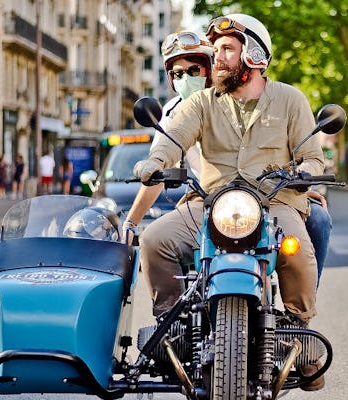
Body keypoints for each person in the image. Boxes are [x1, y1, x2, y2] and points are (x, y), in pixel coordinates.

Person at [132, 13, 324, 390]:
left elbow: (312, 154)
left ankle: (299, 333)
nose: (216, 58)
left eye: (226, 50)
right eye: (217, 50)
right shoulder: (202, 103)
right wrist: (154, 163)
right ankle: (172, 327)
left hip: (274, 202)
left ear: (253, 54)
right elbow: (173, 140)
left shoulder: (290, 100)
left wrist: (306, 171)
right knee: (155, 240)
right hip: (210, 203)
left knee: (297, 249)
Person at [123, 29, 335, 282]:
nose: (186, 79)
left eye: (193, 70)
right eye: (177, 74)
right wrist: (131, 221)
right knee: (155, 239)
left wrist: (300, 179)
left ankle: (300, 312)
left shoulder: (272, 96)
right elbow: (168, 147)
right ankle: (172, 315)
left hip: (271, 194)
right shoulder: (177, 109)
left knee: (318, 220)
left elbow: (306, 153)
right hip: (210, 198)